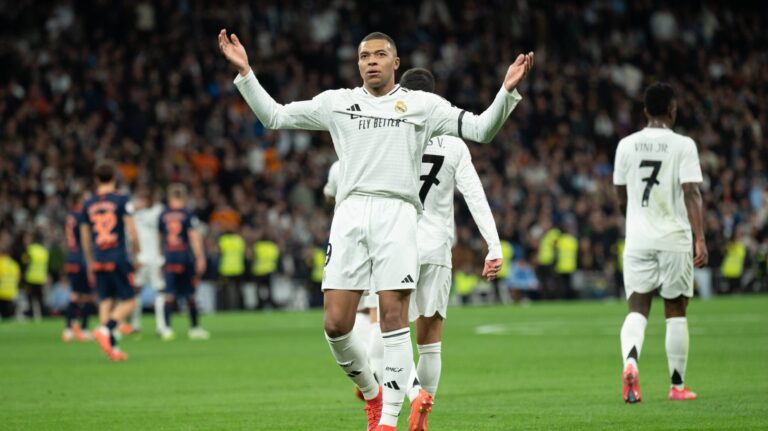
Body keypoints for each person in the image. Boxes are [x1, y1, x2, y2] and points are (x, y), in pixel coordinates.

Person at [219, 29, 532, 430]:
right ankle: (372, 392)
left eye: (380, 54)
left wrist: (505, 93)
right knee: (335, 324)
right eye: (364, 55)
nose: (371, 61)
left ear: (395, 63)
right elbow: (274, 116)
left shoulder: (421, 105)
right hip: (349, 215)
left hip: (398, 215)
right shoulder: (338, 103)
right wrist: (246, 73)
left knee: (393, 317)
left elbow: (481, 129)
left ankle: (387, 422)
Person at [399, 68, 504, 430]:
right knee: (430, 340)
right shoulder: (455, 144)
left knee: (387, 332)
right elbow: (475, 196)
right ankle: (423, 419)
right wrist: (494, 246)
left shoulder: (395, 136)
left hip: (397, 245)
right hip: (438, 248)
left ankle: (414, 395)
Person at [614, 82, 707, 403]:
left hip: (637, 239)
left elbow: (621, 195)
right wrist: (700, 237)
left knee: (637, 308)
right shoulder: (683, 145)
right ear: (672, 109)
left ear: (644, 111)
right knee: (675, 309)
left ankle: (630, 362)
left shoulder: (626, 145)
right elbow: (692, 192)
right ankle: (677, 385)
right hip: (673, 238)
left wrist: (635, 221)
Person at [80, 161, 141, 361]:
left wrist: (89, 260)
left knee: (106, 300)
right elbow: (131, 229)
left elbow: (85, 236)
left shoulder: (88, 203)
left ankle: (111, 349)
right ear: (114, 178)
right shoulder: (122, 199)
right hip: (117, 255)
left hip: (98, 256)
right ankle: (105, 330)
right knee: (129, 301)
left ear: (96, 179)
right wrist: (137, 251)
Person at [158, 184, 209, 340]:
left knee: (169, 294)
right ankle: (194, 328)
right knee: (190, 294)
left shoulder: (163, 215)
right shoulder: (187, 214)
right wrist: (200, 257)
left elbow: (159, 238)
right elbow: (194, 236)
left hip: (169, 256)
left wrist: (161, 257)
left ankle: (166, 329)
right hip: (184, 256)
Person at [130, 188, 167, 335]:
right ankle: (135, 324)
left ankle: (161, 326)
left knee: (159, 291)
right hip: (140, 258)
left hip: (155, 258)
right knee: (136, 290)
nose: (142, 202)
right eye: (140, 199)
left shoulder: (158, 211)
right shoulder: (132, 213)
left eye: (145, 199)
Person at [62, 191, 96, 342]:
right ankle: (83, 329)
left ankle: (69, 329)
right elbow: (85, 238)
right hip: (82, 258)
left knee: (75, 294)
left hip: (72, 256)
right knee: (87, 295)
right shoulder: (82, 217)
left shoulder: (70, 216)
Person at [21, 231, 49, 321]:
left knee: (30, 299)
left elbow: (25, 262)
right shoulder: (43, 251)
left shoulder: (29, 250)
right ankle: (44, 315)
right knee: (40, 299)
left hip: (30, 278)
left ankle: (31, 315)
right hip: (41, 278)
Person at [0, 239, 21, 321]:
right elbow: (18, 278)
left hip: (1, 293)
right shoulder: (14, 264)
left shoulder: (0, 263)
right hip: (11, 292)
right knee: (8, 317)